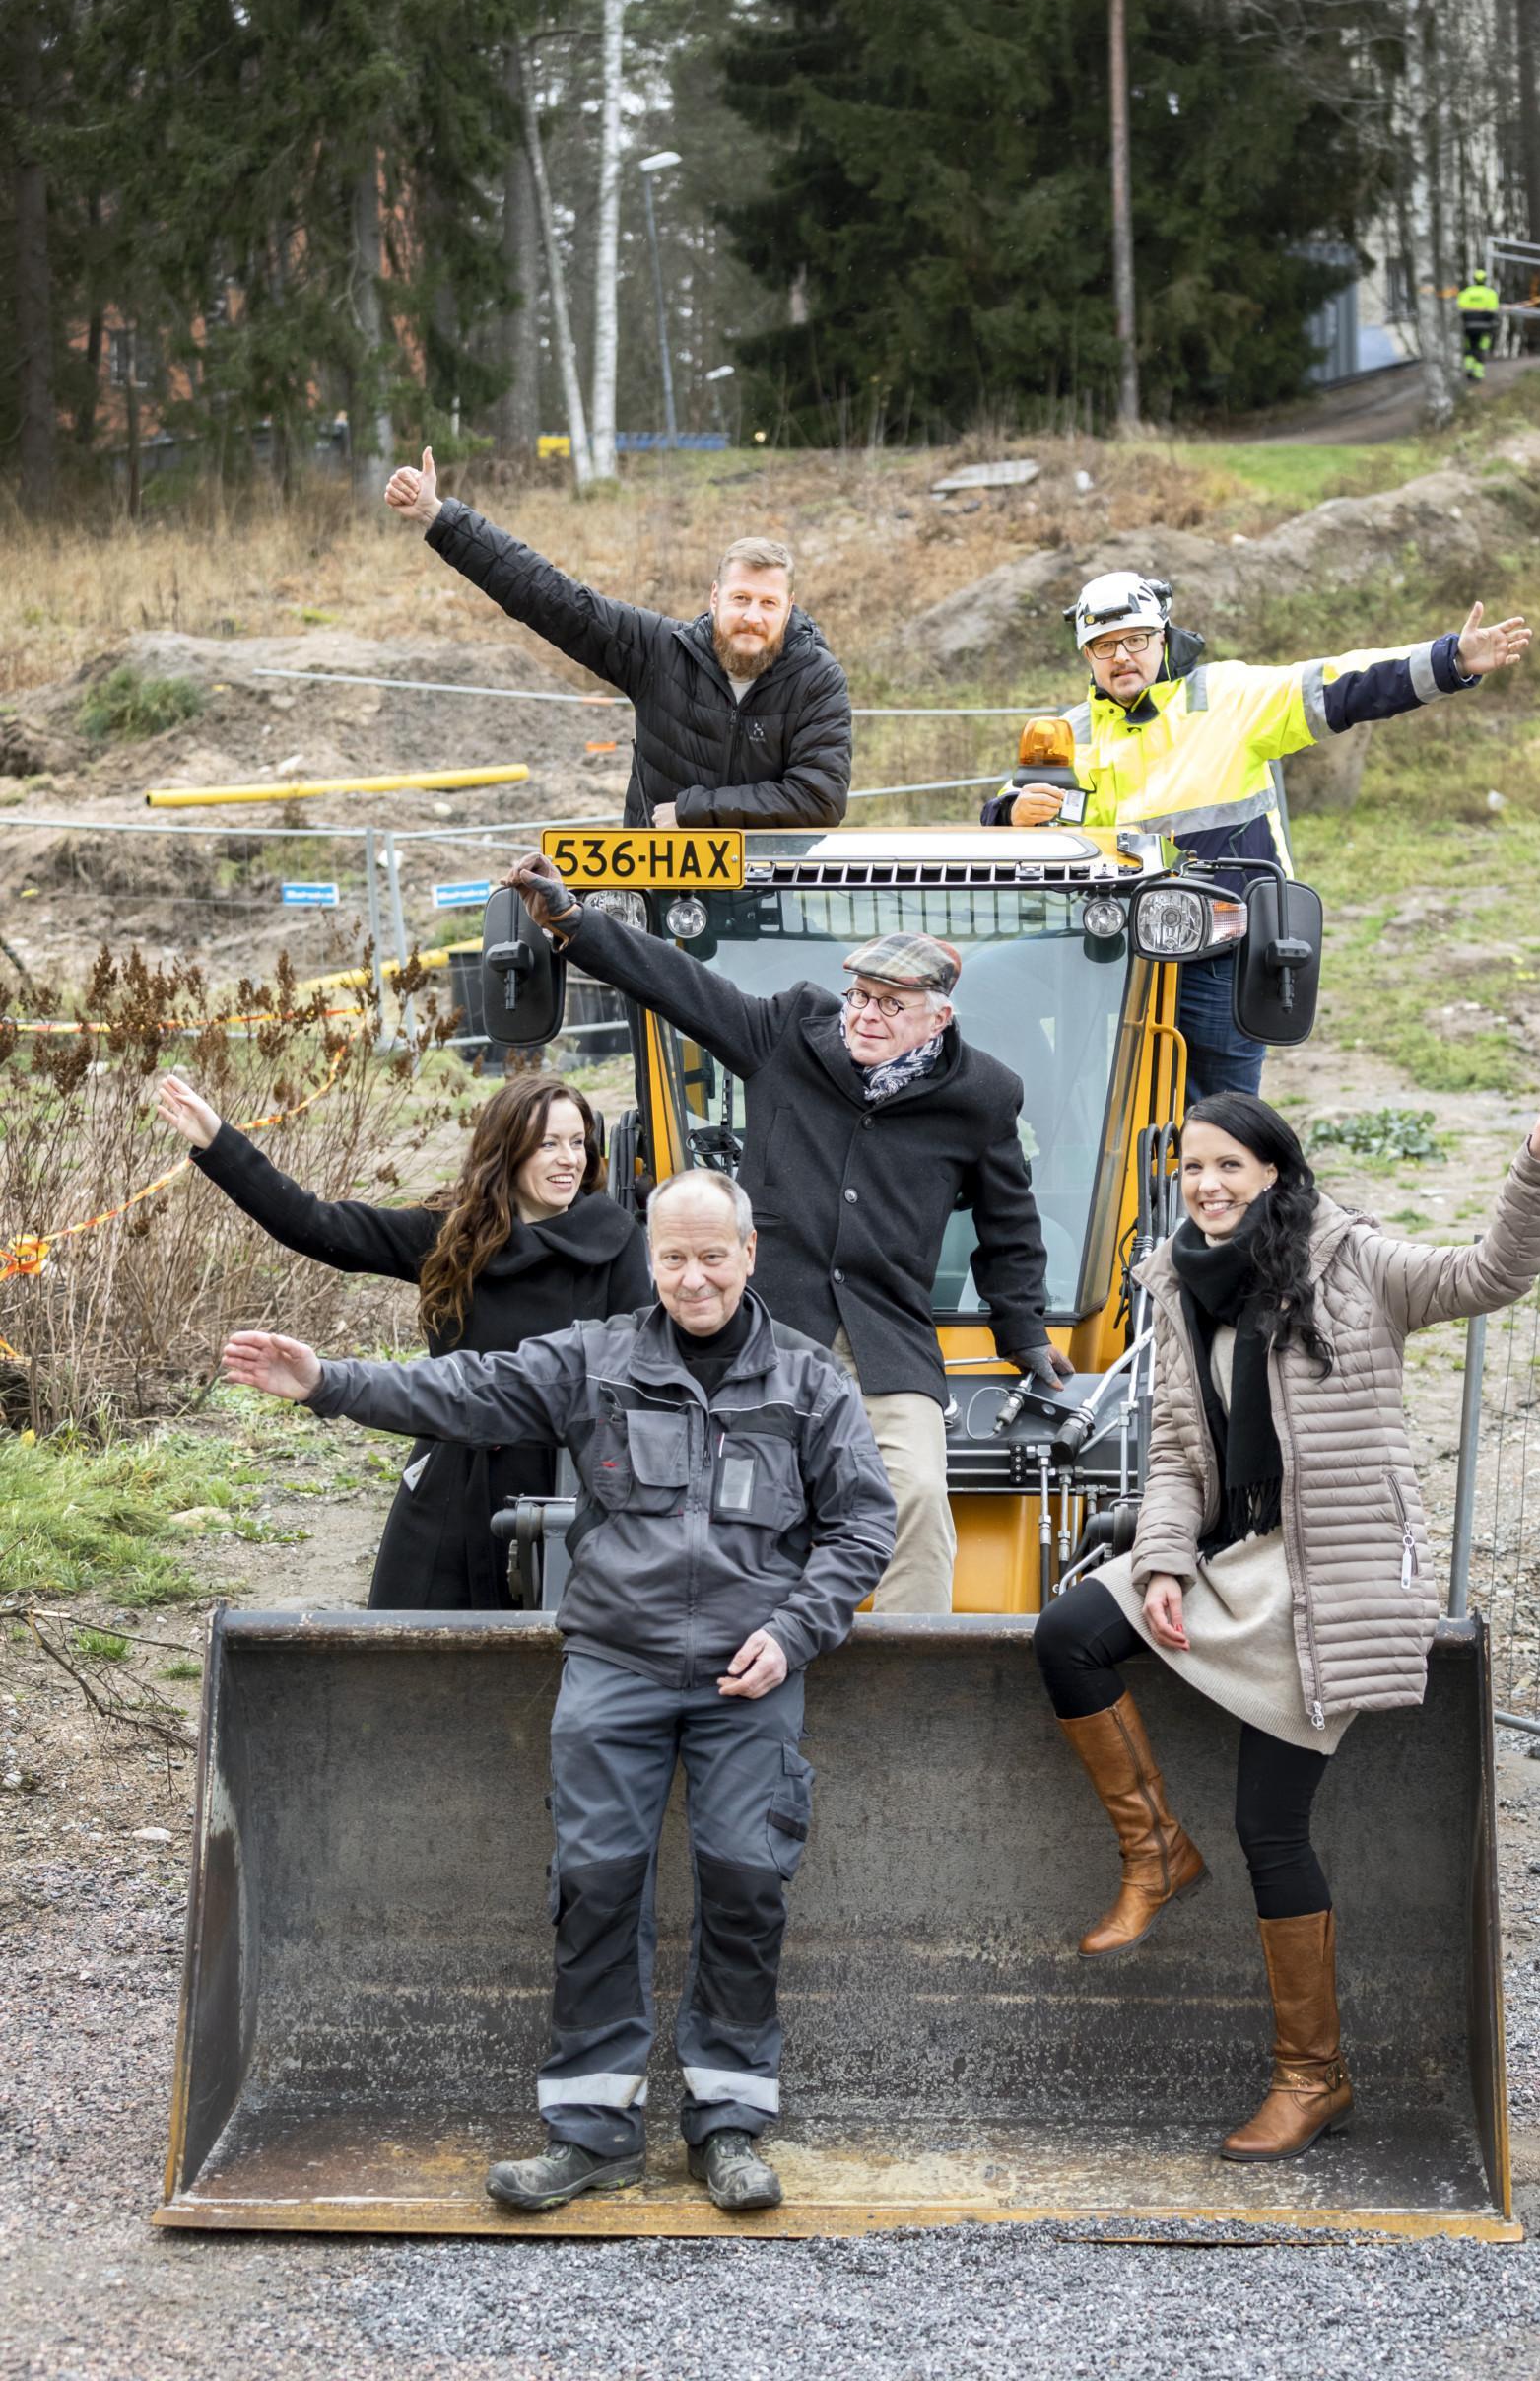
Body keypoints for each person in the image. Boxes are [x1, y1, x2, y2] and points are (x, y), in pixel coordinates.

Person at [221, 1166, 897, 2215]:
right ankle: (591, 2133)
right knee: (594, 1889)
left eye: (712, 1254)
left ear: (749, 1253)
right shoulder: (597, 1360)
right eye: (672, 1257)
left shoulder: (812, 1383)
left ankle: (726, 2129)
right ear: (652, 1260)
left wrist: (795, 1628)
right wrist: (327, 1381)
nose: (693, 1276)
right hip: (615, 1672)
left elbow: (862, 1525)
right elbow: (461, 1392)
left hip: (746, 1681)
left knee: (746, 1887)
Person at [1032, 1071, 1540, 2165]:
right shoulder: (1175, 1282)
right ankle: (1154, 1853)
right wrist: (1156, 1562)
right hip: (1236, 1559)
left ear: (1272, 1173)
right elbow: (1181, 1455)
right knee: (1070, 1633)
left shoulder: (1354, 1261)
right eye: (1191, 1167)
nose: (1205, 1185)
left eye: (1227, 1166)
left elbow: (1491, 1273)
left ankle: (1313, 2076)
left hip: (1329, 1580)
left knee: (1271, 1827)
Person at [504, 851, 1073, 1614]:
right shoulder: (788, 1036)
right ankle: (750, 1660)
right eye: (860, 997)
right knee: (750, 1505)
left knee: (914, 1503)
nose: (864, 1017)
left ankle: (915, 1684)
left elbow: (1009, 1224)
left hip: (887, 1344)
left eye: (889, 1005)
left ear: (938, 1017)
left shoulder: (982, 1096)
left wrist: (1024, 1332)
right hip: (769, 1333)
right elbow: (680, 986)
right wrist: (574, 922)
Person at [981, 571, 1532, 1101]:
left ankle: (1224, 1195)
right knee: (981, 995)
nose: (1122, 655)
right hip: (1110, 948)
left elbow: (1346, 684)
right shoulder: (1067, 733)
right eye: (1105, 644)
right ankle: (1057, 1124)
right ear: (1087, 656)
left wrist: (1450, 660)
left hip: (1221, 948)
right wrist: (1013, 815)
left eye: (1137, 639)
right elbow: (1001, 817)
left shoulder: (1228, 697)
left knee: (1221, 1120)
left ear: (1163, 637)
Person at [158, 1068, 649, 1608]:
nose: (569, 1159)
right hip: (452, 1487)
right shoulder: (454, 1234)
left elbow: (639, 1382)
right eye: (548, 1143)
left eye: (578, 1142)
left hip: (564, 1490)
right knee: (416, 1660)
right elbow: (317, 1225)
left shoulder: (616, 1243)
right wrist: (219, 1141)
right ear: (509, 1151)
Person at [383, 447, 851, 830]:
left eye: (768, 604)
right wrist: (439, 518)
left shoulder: (817, 680)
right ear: (715, 598)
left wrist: (695, 812)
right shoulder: (660, 651)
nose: (752, 616)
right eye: (741, 599)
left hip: (769, 895)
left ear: (789, 608)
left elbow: (819, 797)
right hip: (655, 896)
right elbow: (550, 597)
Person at [1458, 268, 1502, 382]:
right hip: (1485, 328)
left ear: (1474, 279)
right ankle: (1478, 374)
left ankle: (1469, 369)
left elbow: (1460, 309)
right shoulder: (1490, 293)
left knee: (1469, 348)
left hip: (1469, 327)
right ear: (1485, 280)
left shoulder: (1466, 292)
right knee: (1480, 349)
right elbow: (1494, 311)